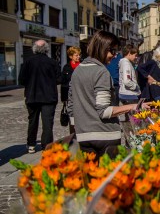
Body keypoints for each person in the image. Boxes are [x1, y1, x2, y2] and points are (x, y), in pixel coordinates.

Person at [68, 30, 148, 158]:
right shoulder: (101, 72)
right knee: (107, 176)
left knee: (91, 176)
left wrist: (78, 130)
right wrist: (133, 106)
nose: (115, 55)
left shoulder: (77, 70)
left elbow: (71, 107)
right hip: (104, 136)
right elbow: (104, 111)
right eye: (113, 51)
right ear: (102, 48)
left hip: (83, 137)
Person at [19, 40, 61, 153]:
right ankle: (46, 146)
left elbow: (22, 80)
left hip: (32, 96)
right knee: (48, 123)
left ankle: (31, 145)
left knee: (32, 121)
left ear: (34, 49)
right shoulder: (53, 62)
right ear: (46, 49)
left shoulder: (27, 62)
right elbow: (59, 79)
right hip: (49, 97)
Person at [61, 46, 81, 134]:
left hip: (81, 95)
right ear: (71, 56)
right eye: (76, 55)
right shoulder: (66, 67)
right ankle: (73, 135)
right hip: (70, 97)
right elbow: (63, 83)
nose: (78, 57)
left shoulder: (82, 66)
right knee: (71, 116)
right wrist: (64, 99)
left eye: (79, 55)